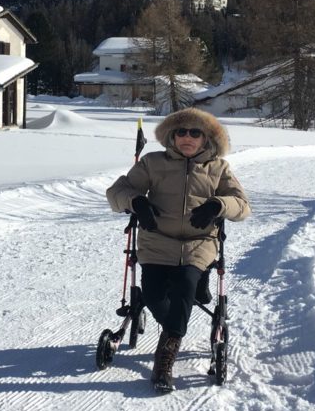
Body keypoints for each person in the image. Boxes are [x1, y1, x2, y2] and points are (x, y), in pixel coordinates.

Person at [107, 108, 250, 393]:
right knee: (154, 295)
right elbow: (116, 192)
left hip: (199, 243)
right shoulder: (152, 163)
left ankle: (166, 355)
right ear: (172, 136)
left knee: (185, 285)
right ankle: (177, 320)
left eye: (195, 132)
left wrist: (217, 206)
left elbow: (242, 206)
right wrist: (137, 203)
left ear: (206, 138)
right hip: (157, 240)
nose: (187, 137)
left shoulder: (218, 168)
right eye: (181, 132)